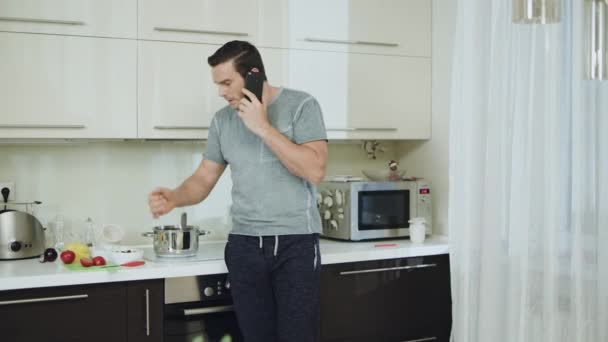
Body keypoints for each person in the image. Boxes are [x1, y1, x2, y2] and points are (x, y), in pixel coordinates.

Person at [148, 40, 328, 342]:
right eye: (217, 84)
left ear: (254, 74)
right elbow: (204, 178)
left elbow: (315, 170)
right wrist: (175, 197)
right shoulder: (222, 121)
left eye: (227, 82)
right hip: (244, 246)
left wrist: (262, 127)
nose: (220, 92)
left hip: (295, 243)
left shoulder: (302, 106)